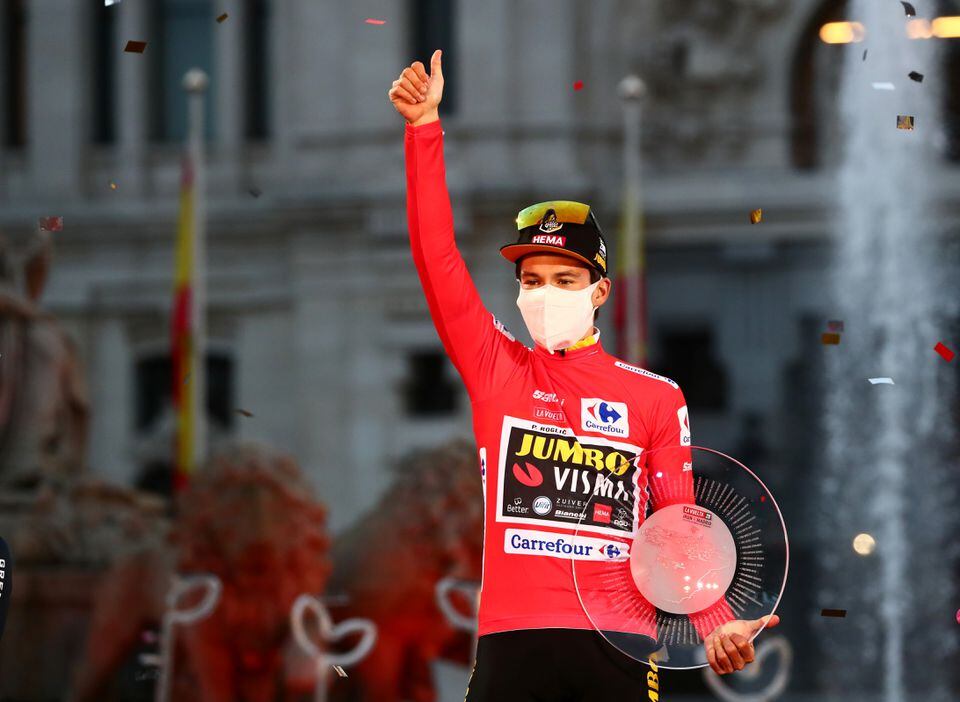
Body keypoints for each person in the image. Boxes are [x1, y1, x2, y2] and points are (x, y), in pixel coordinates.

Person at [390, 50, 780, 700]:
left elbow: (675, 527)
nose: (545, 293)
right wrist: (424, 130)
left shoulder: (655, 397)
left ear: (599, 291)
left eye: (565, 280)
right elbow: (437, 257)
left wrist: (716, 624)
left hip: (620, 644)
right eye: (532, 280)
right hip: (512, 640)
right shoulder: (496, 367)